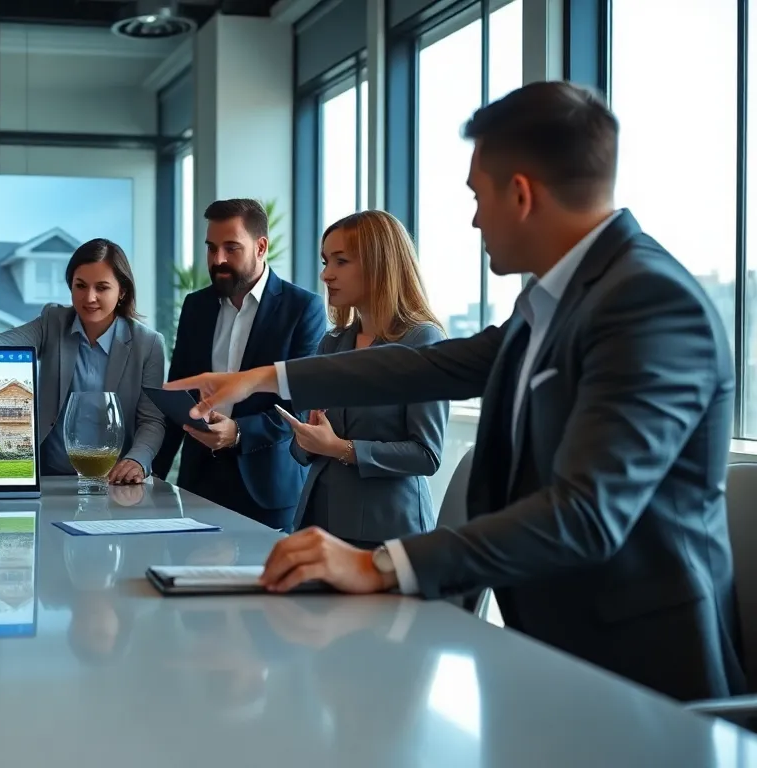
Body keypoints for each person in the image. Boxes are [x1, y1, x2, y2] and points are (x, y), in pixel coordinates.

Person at [167, 81, 742, 702]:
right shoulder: (553, 300)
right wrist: (263, 377)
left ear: (520, 194)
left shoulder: (650, 303)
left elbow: (586, 513)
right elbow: (425, 367)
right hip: (549, 648)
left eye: (477, 195)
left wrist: (379, 563)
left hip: (640, 672)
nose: (473, 217)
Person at [153, 199, 327, 532]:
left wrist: (238, 432)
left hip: (268, 490)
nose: (218, 259)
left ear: (261, 246)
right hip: (198, 485)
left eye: (231, 248)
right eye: (211, 248)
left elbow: (302, 408)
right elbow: (180, 394)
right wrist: (151, 472)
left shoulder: (303, 309)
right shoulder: (195, 306)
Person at [282, 210, 448, 543]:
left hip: (385, 533)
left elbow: (427, 455)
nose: (326, 275)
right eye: (325, 261)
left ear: (379, 264)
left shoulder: (422, 342)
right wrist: (307, 439)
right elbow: (304, 448)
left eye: (340, 262)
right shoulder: (332, 342)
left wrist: (341, 448)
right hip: (318, 522)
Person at [0, 238, 165, 484]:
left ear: (122, 291)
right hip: (47, 477)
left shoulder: (148, 344)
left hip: (114, 481)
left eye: (102, 287)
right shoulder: (53, 321)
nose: (89, 297)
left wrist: (137, 460)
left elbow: (151, 420)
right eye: (80, 286)